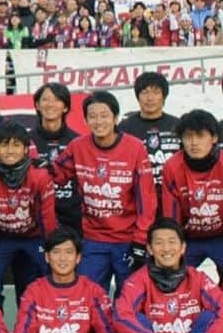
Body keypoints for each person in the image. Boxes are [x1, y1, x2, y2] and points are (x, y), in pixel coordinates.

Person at [52, 90, 156, 292]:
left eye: (104, 115)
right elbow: (55, 174)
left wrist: (141, 240)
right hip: (93, 239)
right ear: (85, 120)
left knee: (130, 299)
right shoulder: (77, 147)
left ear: (115, 117)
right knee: (88, 296)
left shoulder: (135, 148)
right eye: (92, 116)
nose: (98, 121)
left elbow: (147, 198)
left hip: (128, 239)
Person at [0, 121, 57, 304]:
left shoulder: (40, 176)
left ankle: (36, 330)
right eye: (4, 145)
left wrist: (52, 250)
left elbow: (48, 218)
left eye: (16, 145)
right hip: (0, 237)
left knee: (42, 284)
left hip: (34, 237)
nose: (10, 150)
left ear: (26, 149)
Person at [160, 109, 223, 270]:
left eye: (200, 136)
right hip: (188, 238)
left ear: (214, 138)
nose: (194, 142)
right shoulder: (172, 167)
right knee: (169, 276)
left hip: (221, 236)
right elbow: (171, 214)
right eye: (188, 136)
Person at [29, 83, 81, 234]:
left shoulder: (78, 141)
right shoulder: (26, 141)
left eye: (57, 100)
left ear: (65, 107)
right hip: (37, 220)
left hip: (73, 219)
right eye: (45, 100)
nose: (50, 104)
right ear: (37, 105)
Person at [118, 71, 181, 196]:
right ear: (137, 96)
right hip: (137, 196)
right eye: (144, 92)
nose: (150, 98)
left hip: (172, 195)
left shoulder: (178, 126)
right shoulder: (124, 127)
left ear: (164, 96)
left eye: (156, 92)